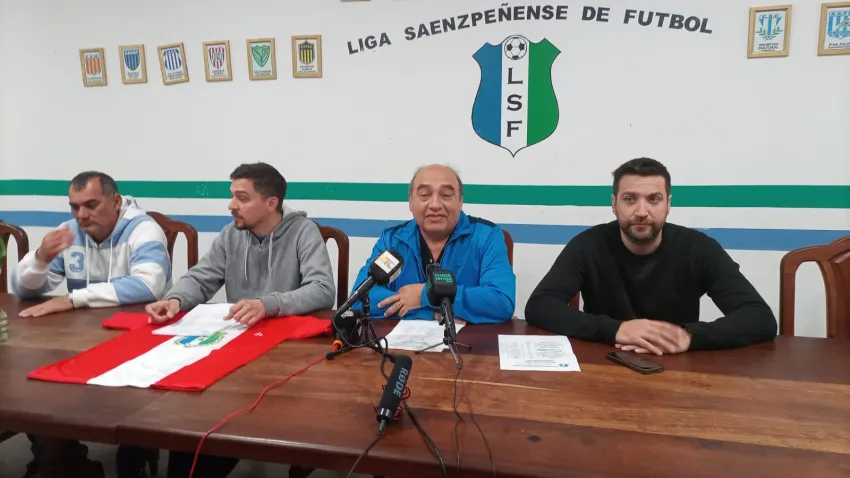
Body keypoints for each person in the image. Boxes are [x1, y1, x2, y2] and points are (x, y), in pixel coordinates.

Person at [145, 162, 335, 478]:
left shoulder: (303, 231)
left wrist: (269, 304)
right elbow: (201, 277)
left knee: (224, 425)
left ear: (271, 203)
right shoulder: (231, 235)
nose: (231, 205)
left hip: (286, 355)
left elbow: (322, 290)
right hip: (237, 344)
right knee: (189, 416)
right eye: (232, 195)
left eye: (242, 198)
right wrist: (175, 299)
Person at [525, 157, 777, 354]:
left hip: (678, 369)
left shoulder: (699, 248)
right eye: (629, 199)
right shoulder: (588, 245)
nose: (641, 211)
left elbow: (760, 318)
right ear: (614, 204)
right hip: (605, 362)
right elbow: (540, 305)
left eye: (654, 199)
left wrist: (689, 336)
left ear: (668, 204)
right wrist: (615, 329)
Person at [10, 171, 171, 478]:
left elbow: (147, 286)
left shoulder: (144, 229)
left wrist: (73, 299)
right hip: (84, 338)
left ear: (116, 201)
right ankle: (60, 457)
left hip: (141, 340)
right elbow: (23, 289)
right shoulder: (69, 232)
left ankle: (131, 458)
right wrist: (41, 259)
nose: (81, 215)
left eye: (91, 205)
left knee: (134, 402)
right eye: (74, 206)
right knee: (38, 382)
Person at [351, 164, 515, 323]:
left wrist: (425, 295)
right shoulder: (392, 240)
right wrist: (428, 312)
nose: (435, 205)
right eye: (424, 195)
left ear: (460, 202)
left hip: (469, 340)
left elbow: (502, 301)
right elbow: (359, 299)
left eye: (446, 195)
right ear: (410, 202)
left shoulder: (487, 236)